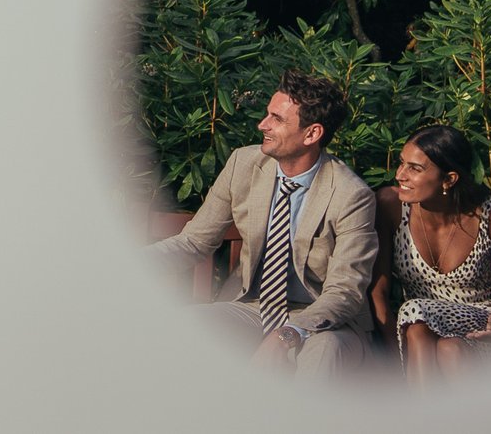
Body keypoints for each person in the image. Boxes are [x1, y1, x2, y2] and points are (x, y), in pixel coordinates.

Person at [153, 69, 380, 376]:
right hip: (251, 307)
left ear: (312, 134)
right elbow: (194, 241)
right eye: (267, 114)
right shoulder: (242, 164)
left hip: (324, 321)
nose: (263, 125)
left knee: (321, 354)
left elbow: (344, 292)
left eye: (277, 119)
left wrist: (287, 333)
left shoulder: (351, 195)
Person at [371, 125, 491, 383]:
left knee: (417, 310)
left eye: (415, 168)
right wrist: (397, 357)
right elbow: (378, 291)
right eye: (402, 163)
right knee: (444, 344)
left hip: (480, 325)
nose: (400, 175)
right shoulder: (391, 205)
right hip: (419, 331)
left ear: (449, 179)